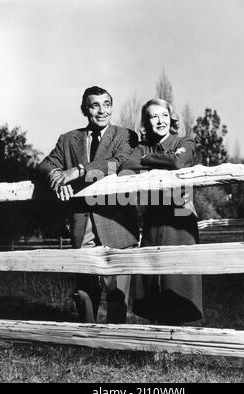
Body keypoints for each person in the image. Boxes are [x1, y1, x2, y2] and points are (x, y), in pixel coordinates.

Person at [38, 86, 139, 324]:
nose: (102, 111)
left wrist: (78, 170)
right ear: (85, 109)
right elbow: (45, 164)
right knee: (84, 287)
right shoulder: (68, 139)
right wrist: (56, 177)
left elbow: (118, 163)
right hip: (82, 221)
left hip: (117, 222)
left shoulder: (126, 136)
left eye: (107, 104)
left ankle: (115, 338)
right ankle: (87, 337)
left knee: (118, 289)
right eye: (95, 105)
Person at [120, 98, 203, 325]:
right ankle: (158, 347)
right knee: (152, 279)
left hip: (181, 217)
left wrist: (147, 160)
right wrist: (149, 158)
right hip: (154, 217)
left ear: (171, 117)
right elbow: (127, 164)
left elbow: (178, 162)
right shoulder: (142, 146)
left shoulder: (184, 140)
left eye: (164, 115)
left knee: (177, 280)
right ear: (146, 122)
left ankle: (174, 344)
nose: (160, 121)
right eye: (154, 116)